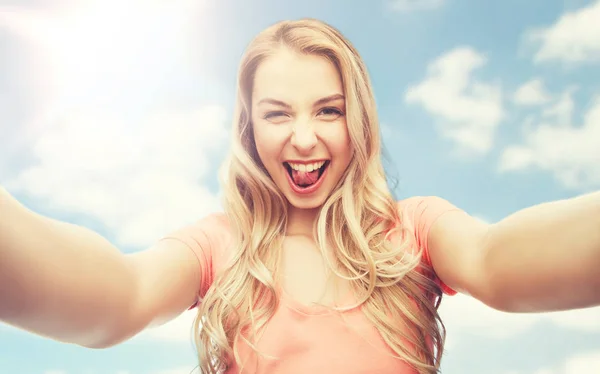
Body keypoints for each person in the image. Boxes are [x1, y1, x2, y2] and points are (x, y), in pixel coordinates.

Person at [1, 18, 599, 374]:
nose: (304, 137)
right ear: (249, 129)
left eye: (328, 111)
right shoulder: (219, 247)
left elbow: (499, 263)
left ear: (357, 120)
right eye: (277, 113)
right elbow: (116, 297)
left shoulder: (412, 233)